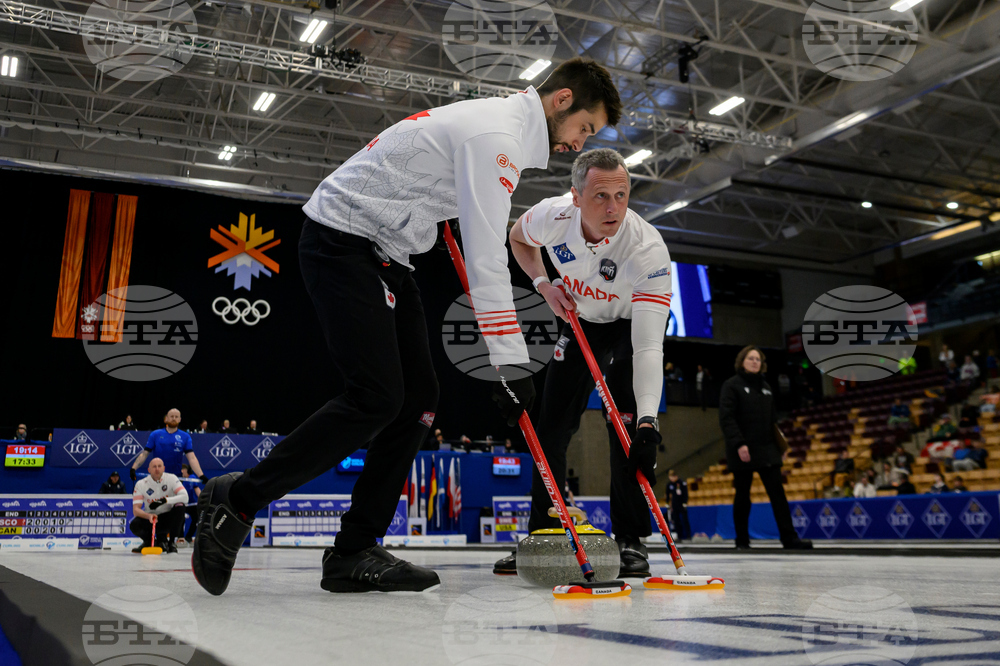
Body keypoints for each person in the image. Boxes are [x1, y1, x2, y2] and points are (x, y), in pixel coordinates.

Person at [191, 58, 623, 596]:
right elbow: (488, 254)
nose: (580, 145)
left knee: (418, 398)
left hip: (387, 249)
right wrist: (509, 362)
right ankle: (238, 500)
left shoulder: (497, 127)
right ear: (561, 101)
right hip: (342, 238)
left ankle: (353, 550)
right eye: (585, 129)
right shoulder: (499, 138)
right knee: (375, 396)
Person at [492, 148, 671, 578]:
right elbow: (518, 237)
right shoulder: (552, 216)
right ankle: (542, 534)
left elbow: (649, 348)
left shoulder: (648, 251)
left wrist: (649, 421)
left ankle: (630, 540)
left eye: (622, 195)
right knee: (550, 425)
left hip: (629, 326)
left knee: (627, 428)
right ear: (575, 197)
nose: (613, 208)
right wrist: (543, 284)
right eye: (600, 196)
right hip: (578, 320)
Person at [719, 346, 811, 550]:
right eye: (750, 358)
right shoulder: (731, 386)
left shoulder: (767, 387)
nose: (754, 362)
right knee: (743, 495)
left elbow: (773, 421)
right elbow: (727, 418)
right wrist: (739, 443)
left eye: (758, 359)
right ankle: (742, 540)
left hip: (767, 448)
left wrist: (781, 444)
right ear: (742, 361)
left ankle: (789, 538)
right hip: (743, 448)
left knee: (777, 493)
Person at [131, 409, 208, 482]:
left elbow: (192, 458)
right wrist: (133, 468)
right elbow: (144, 454)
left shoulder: (185, 437)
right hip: (156, 477)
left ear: (180, 419)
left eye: (176, 416)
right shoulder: (155, 434)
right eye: (171, 416)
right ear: (166, 418)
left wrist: (201, 475)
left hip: (175, 478)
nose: (174, 418)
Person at [130, 457, 188, 553]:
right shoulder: (141, 484)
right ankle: (149, 542)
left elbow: (185, 497)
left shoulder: (172, 478)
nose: (157, 469)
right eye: (154, 467)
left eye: (159, 466)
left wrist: (164, 501)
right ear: (149, 470)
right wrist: (148, 515)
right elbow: (136, 510)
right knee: (134, 525)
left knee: (180, 506)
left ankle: (171, 543)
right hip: (152, 519)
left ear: (164, 468)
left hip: (167, 518)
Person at [178, 463, 203, 545]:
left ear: (188, 470)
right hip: (183, 503)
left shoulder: (192, 478)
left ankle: (188, 537)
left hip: (192, 504)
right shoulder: (180, 479)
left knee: (196, 519)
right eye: (182, 469)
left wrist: (202, 499)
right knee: (180, 519)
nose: (182, 471)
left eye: (184, 469)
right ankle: (180, 538)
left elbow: (196, 489)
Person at [666, 470, 690, 542]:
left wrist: (685, 502)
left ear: (676, 476)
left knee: (685, 520)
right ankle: (679, 536)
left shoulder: (681, 483)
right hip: (674, 505)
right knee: (676, 521)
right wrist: (667, 503)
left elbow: (685, 493)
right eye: (670, 477)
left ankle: (688, 536)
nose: (672, 478)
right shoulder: (669, 485)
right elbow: (667, 494)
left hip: (681, 504)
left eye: (673, 477)